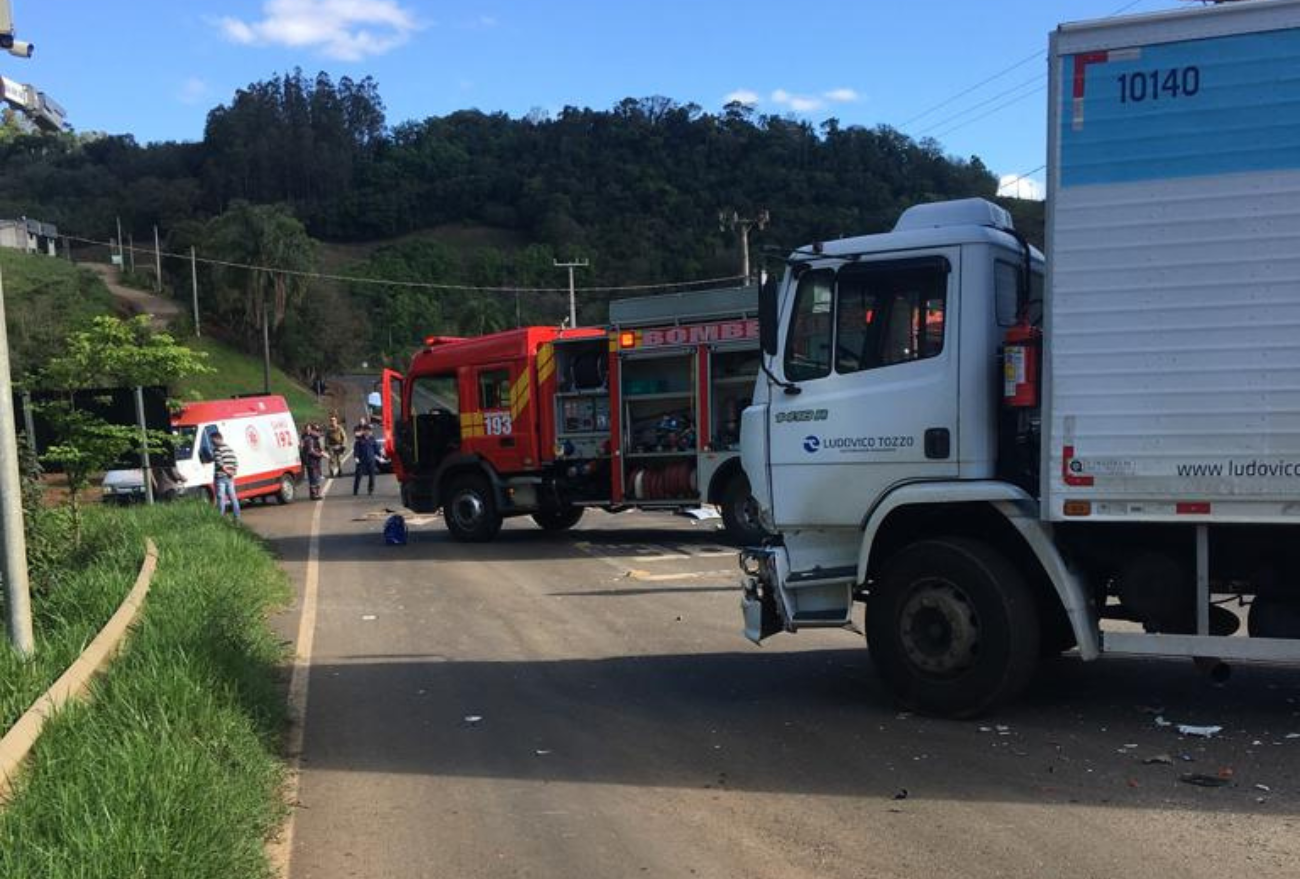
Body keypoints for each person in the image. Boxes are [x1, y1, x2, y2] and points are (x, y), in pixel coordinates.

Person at [211, 431, 240, 519]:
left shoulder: (217, 449)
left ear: (217, 439)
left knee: (221, 498)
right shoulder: (230, 449)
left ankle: (221, 517)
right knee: (233, 497)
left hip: (221, 477)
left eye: (212, 440)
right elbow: (236, 462)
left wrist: (227, 471)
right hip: (230, 477)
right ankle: (237, 517)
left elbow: (220, 463)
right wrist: (233, 472)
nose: (212, 442)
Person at [353, 421, 380, 496]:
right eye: (367, 430)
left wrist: (381, 455)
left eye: (370, 430)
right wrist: (356, 457)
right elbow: (356, 450)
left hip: (371, 461)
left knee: (372, 476)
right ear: (364, 431)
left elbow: (376, 449)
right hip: (361, 461)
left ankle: (370, 490)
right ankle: (355, 490)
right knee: (358, 476)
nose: (369, 431)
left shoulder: (372, 439)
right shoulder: (359, 440)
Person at [302, 423, 325, 500]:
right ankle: (314, 494)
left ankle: (316, 494)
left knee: (316, 477)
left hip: (315, 461)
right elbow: (310, 451)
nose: (317, 432)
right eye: (315, 430)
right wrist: (320, 454)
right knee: (314, 478)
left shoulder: (314, 439)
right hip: (312, 461)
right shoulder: (309, 439)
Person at [325, 414, 347, 478]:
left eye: (334, 420)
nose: (333, 421)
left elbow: (344, 437)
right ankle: (331, 472)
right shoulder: (328, 429)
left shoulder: (340, 428)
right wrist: (326, 445)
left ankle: (340, 471)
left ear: (336, 421)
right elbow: (326, 438)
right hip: (331, 446)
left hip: (339, 445)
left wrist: (343, 445)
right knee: (331, 460)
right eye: (331, 420)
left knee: (339, 460)